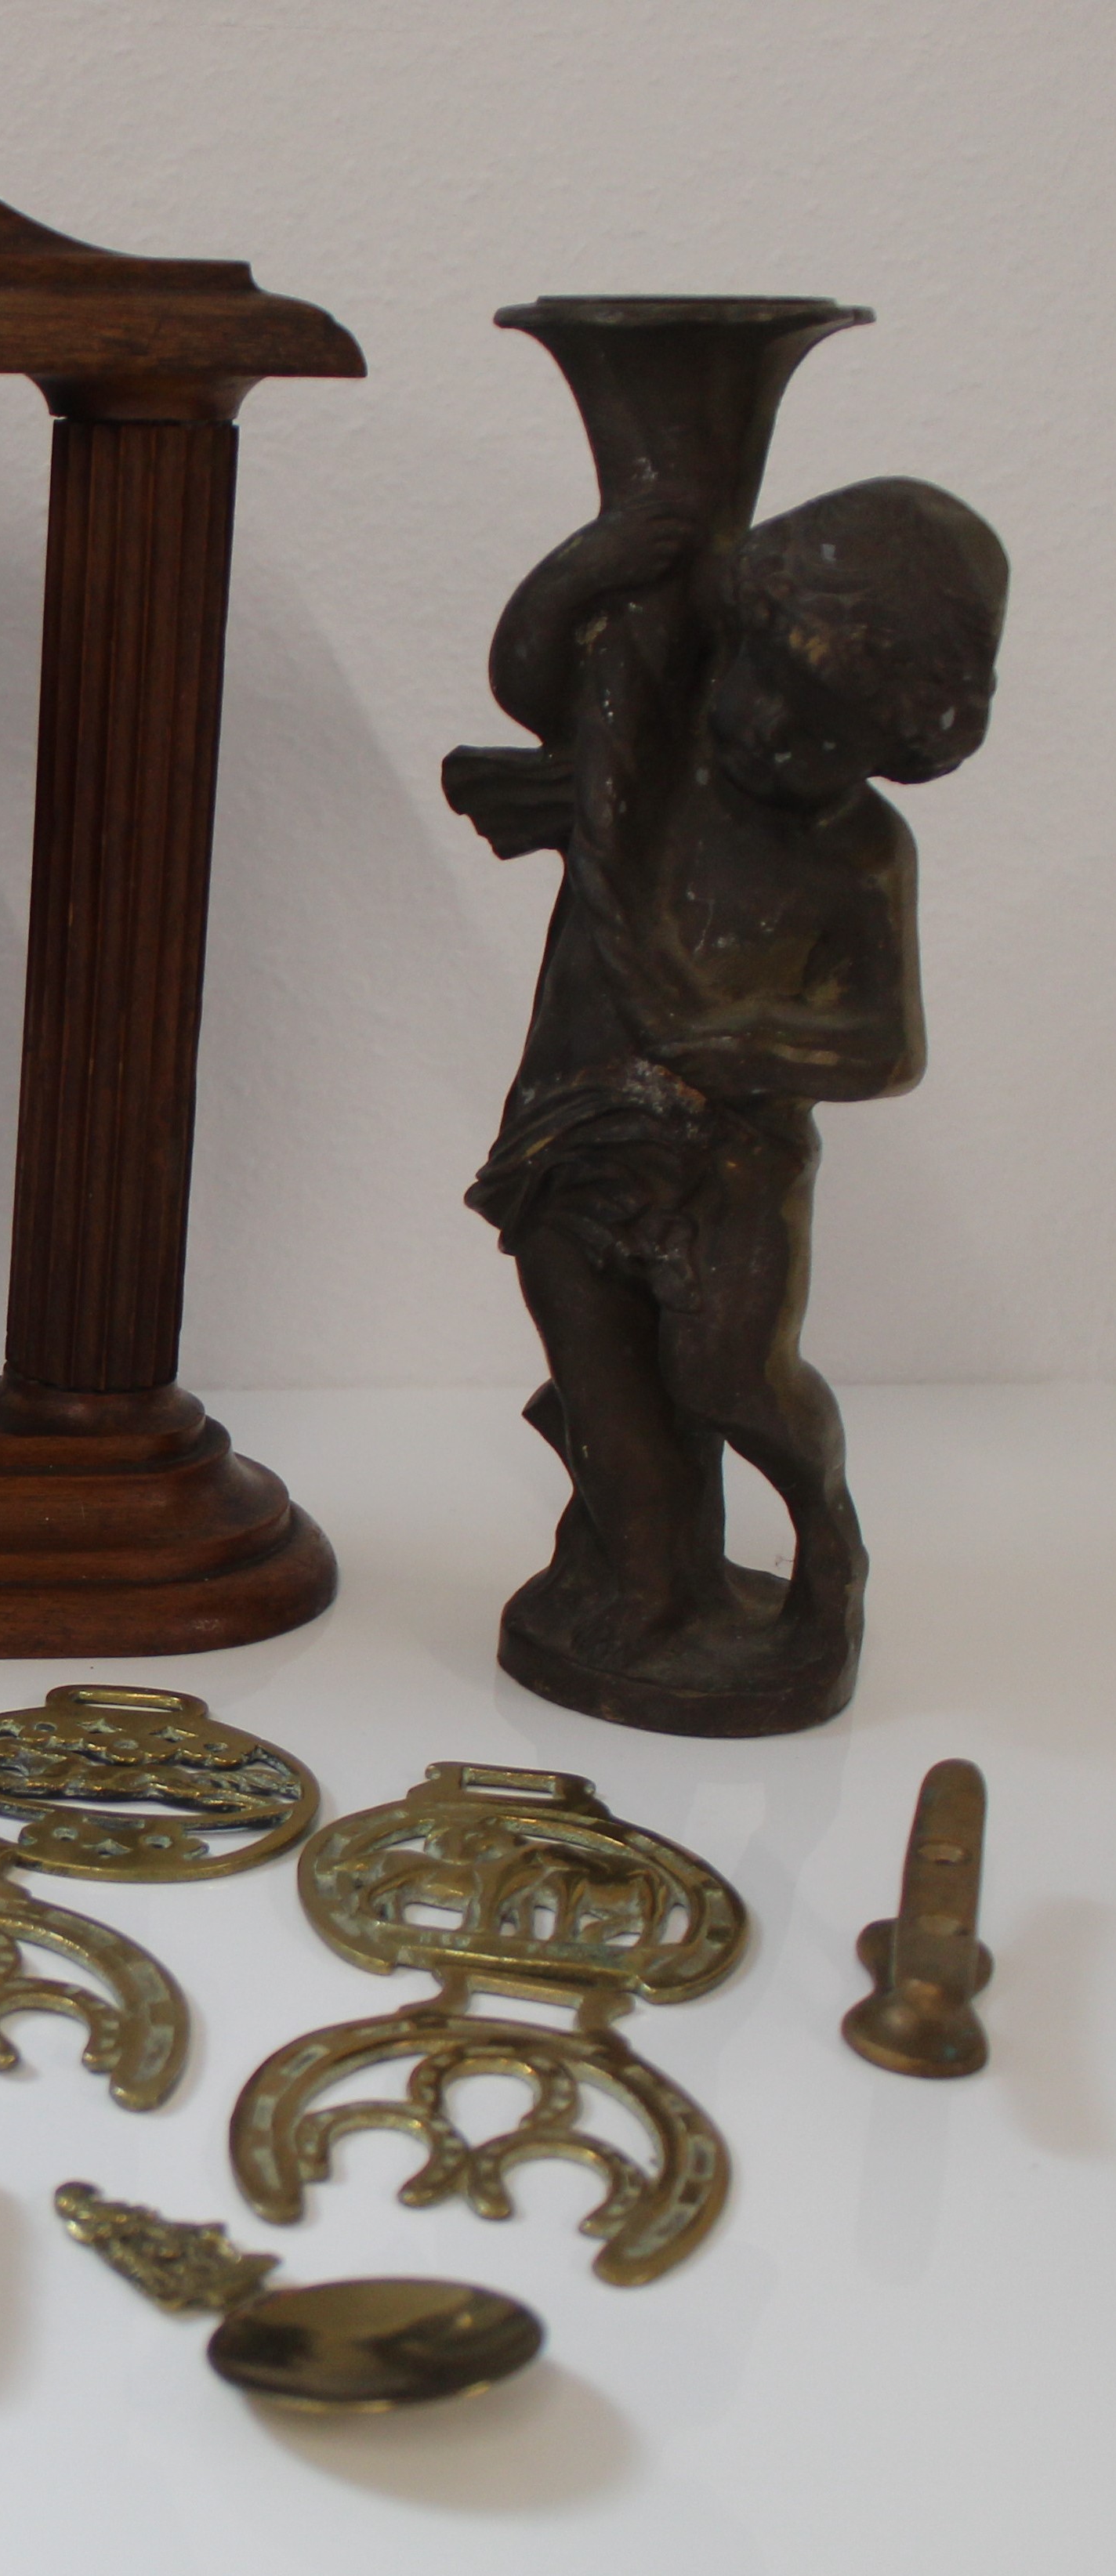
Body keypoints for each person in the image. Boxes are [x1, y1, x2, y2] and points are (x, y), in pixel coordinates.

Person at [455, 475, 1006, 1723]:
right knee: (599, 1368)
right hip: (572, 1130)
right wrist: (591, 562)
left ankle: (826, 1542)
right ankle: (645, 1582)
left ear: (901, 749)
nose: (765, 733)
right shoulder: (652, 769)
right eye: (761, 685)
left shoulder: (862, 857)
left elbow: (883, 1048)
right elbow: (533, 678)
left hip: (731, 1171)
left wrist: (735, 1041)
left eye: (822, 733)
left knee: (727, 1378)